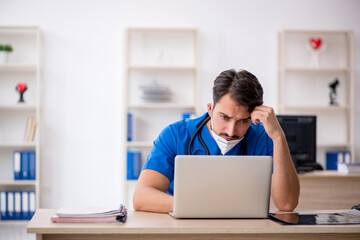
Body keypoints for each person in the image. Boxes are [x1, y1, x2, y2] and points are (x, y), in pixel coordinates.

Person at [133, 69, 300, 213]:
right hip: (184, 228)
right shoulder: (175, 135)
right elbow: (141, 197)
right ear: (210, 109)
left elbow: (286, 204)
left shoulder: (263, 137)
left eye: (243, 121)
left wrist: (278, 136)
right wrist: (200, 206)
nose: (231, 131)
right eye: (224, 117)